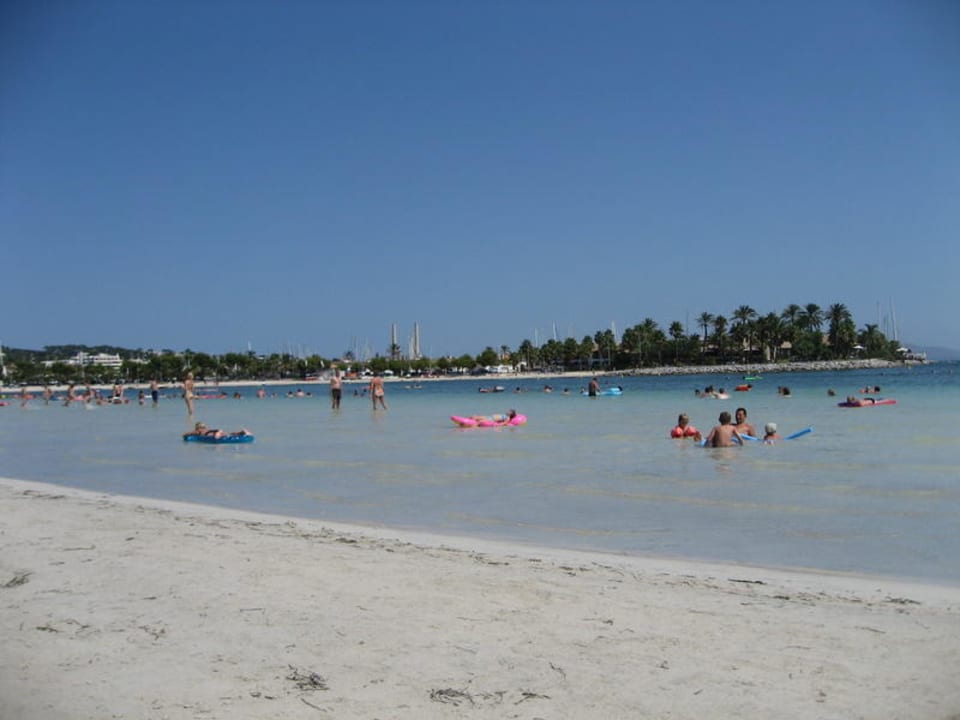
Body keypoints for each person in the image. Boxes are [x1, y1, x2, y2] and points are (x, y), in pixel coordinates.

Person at [183, 421, 251, 440]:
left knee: (216, 435)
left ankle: (218, 432)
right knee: (229, 434)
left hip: (212, 434)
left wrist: (186, 435)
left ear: (197, 427)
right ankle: (242, 432)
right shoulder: (206, 429)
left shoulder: (198, 431)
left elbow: (186, 434)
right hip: (215, 431)